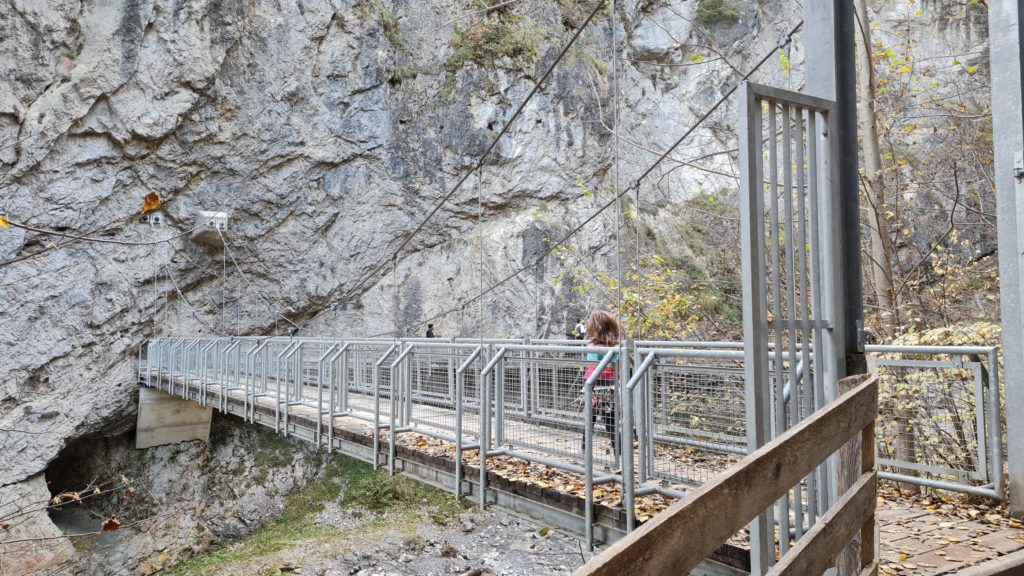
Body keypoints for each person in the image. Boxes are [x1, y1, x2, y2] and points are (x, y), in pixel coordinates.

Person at [582, 311, 620, 454]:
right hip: (610, 387)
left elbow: (591, 370)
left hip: (595, 386)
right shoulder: (615, 347)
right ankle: (620, 453)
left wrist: (590, 391)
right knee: (611, 422)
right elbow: (618, 370)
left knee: (589, 421)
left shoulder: (592, 347)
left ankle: (585, 452)